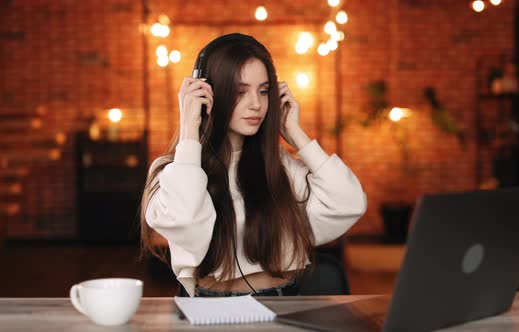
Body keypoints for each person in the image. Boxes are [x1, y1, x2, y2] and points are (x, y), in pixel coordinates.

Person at [140, 33, 367, 297]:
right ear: (207, 92)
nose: (257, 104)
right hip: (213, 310)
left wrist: (296, 134)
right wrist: (190, 126)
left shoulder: (280, 165)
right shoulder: (175, 170)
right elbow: (184, 221)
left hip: (287, 301)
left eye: (263, 91)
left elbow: (350, 203)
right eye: (240, 92)